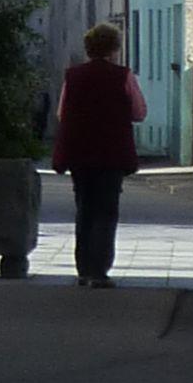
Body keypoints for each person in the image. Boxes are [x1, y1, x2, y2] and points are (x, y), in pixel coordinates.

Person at [51, 21, 147, 286]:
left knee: (84, 208)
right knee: (106, 210)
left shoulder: (73, 76)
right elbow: (139, 112)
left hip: (79, 152)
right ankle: (99, 271)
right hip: (111, 153)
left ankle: (83, 268)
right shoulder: (123, 76)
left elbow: (62, 113)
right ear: (114, 48)